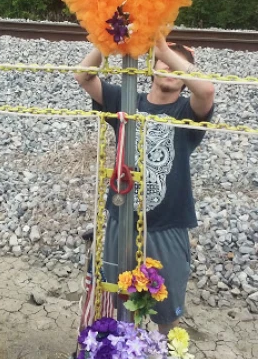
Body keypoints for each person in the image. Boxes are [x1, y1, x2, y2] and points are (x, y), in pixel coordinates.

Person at [74, 35, 215, 334]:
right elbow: (83, 76)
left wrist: (164, 50)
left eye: (180, 68)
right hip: (121, 220)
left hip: (167, 227)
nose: (170, 68)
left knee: (166, 310)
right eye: (162, 62)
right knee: (119, 298)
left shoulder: (186, 115)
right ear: (150, 67)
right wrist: (106, 43)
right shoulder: (126, 102)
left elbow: (206, 90)